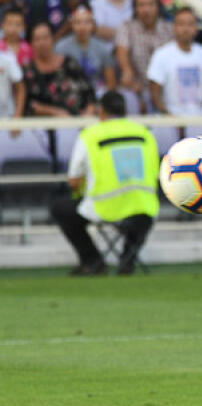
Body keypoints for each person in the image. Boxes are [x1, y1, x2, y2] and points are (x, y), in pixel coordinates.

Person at [51, 91, 158, 276]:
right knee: (144, 215)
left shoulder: (90, 135)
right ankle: (127, 261)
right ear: (125, 111)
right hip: (142, 205)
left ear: (101, 111)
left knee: (60, 208)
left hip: (102, 206)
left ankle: (92, 261)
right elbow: (155, 171)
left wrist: (82, 192)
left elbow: (74, 181)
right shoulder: (145, 134)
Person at [147, 7, 202, 116]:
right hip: (170, 124)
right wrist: (170, 119)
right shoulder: (161, 55)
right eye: (181, 24)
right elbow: (154, 95)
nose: (186, 29)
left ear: (196, 28)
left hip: (200, 120)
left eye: (190, 24)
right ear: (174, 27)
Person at [115, 0, 173, 111]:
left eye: (151, 4)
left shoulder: (169, 29)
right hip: (138, 87)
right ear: (135, 8)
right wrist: (127, 71)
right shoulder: (127, 27)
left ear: (158, 7)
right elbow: (122, 51)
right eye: (141, 5)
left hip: (166, 88)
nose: (146, 10)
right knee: (127, 97)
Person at [23, 21, 95, 118]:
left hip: (79, 122)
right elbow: (27, 104)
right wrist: (53, 112)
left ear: (53, 39)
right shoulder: (27, 71)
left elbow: (90, 95)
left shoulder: (69, 63)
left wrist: (87, 115)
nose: (42, 43)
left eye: (46, 37)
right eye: (37, 39)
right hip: (43, 127)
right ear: (31, 43)